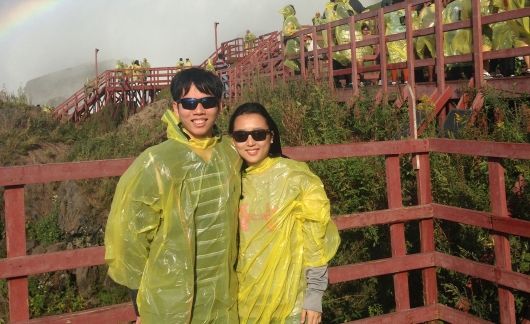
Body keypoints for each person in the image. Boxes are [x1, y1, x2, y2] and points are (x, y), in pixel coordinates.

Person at [104, 67, 242, 323]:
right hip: (170, 299)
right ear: (175, 108)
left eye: (207, 102)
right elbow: (128, 235)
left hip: (223, 295)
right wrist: (138, 297)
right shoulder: (156, 162)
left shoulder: (231, 153)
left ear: (220, 106)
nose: (198, 111)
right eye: (189, 103)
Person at [228, 102, 341, 324]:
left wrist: (314, 297)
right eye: (241, 136)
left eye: (258, 134)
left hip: (291, 305)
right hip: (239, 305)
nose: (250, 142)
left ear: (271, 136)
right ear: (232, 141)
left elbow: (315, 241)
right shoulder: (228, 181)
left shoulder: (296, 178)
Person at [280, 4, 302, 73]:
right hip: (294, 43)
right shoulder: (292, 18)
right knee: (304, 56)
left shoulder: (285, 21)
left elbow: (285, 32)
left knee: (294, 62)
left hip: (287, 44)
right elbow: (299, 27)